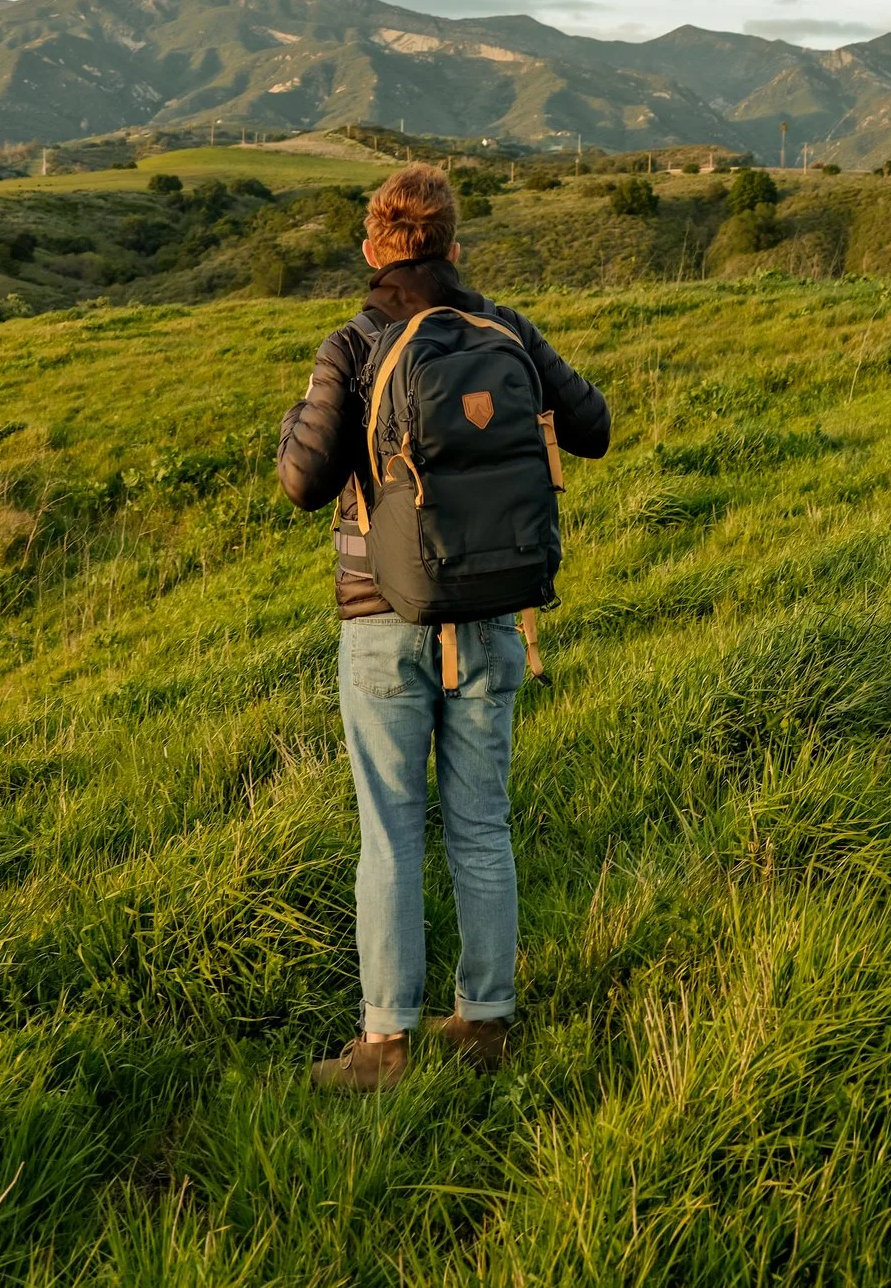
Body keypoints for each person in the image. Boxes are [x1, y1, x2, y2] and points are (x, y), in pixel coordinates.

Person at [276, 164, 610, 1093]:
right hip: (496, 611)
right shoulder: (509, 329)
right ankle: (487, 1022)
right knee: (481, 823)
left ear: (374, 251)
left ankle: (387, 1044)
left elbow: (303, 482)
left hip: (381, 617)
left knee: (390, 831)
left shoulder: (353, 342)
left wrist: (294, 421)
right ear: (455, 247)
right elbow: (596, 427)